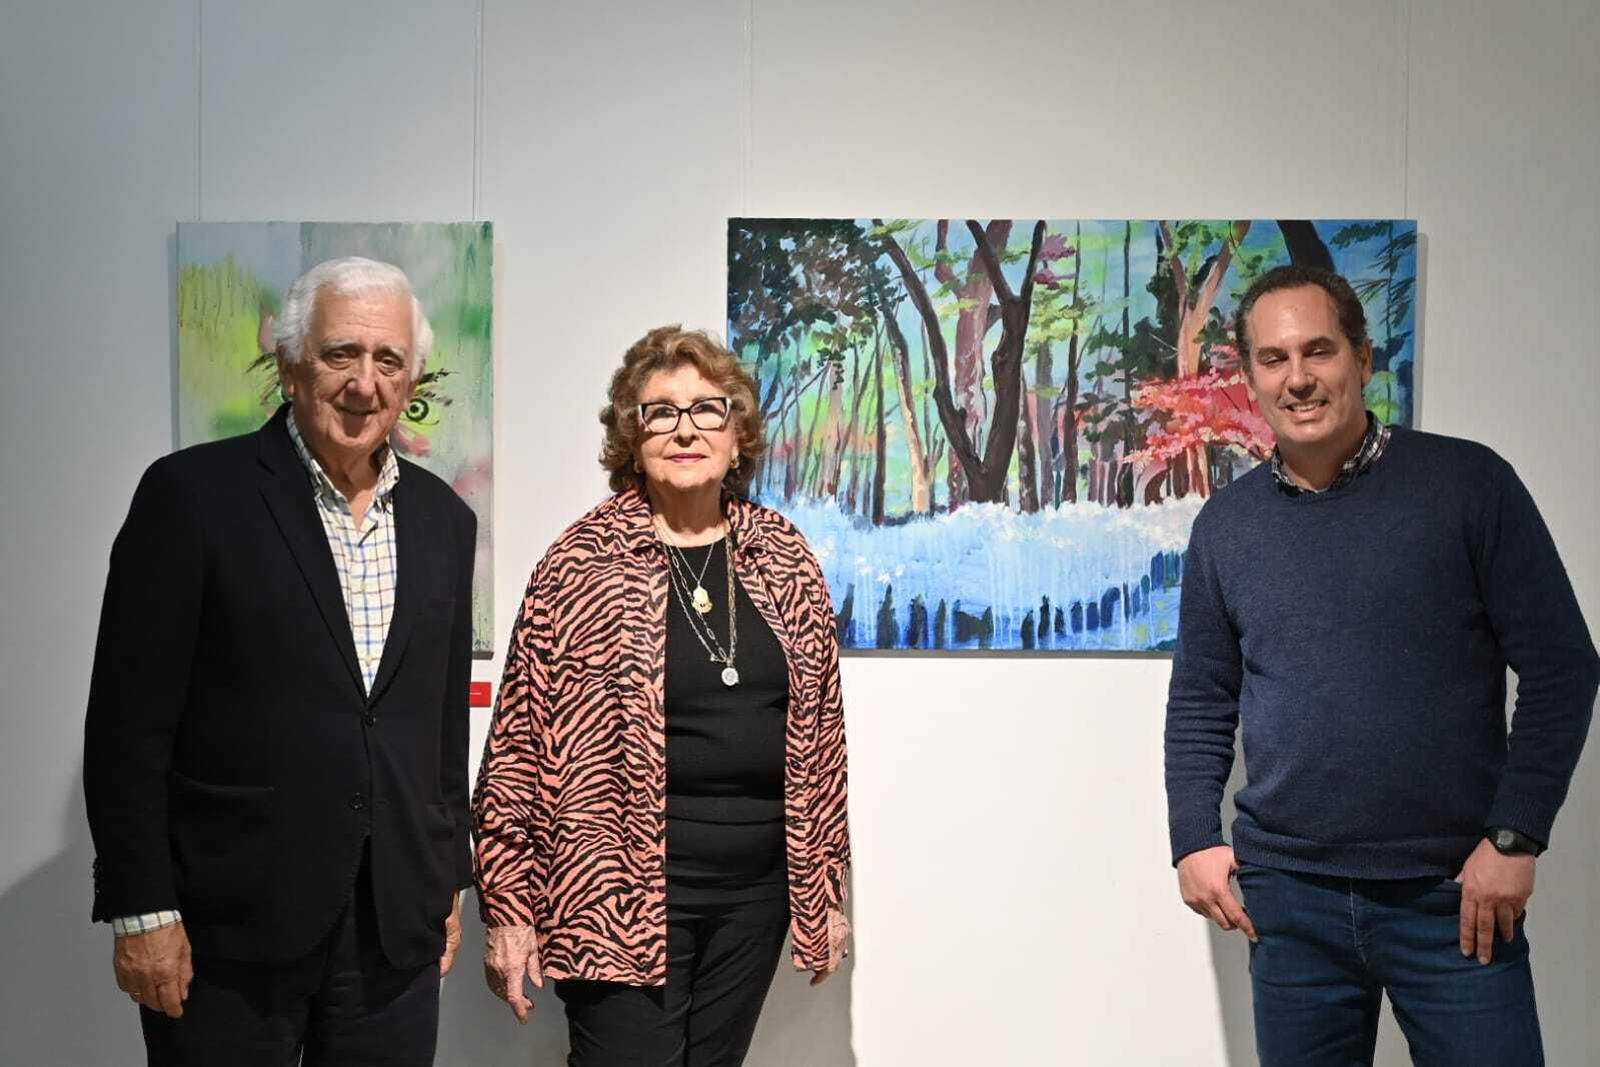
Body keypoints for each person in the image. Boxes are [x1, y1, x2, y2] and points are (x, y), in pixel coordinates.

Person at [1164, 265, 1599, 1066]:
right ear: (1251, 377)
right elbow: (1200, 696)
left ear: (1363, 359)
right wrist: (1193, 835)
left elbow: (1564, 666)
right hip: (1289, 903)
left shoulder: (1469, 485)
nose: (1297, 378)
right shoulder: (1227, 526)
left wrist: (1516, 835)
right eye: (1272, 358)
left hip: (1455, 898)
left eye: (1318, 350)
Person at [83, 257, 478, 1066]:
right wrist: (139, 908)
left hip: (390, 930)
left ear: (411, 379)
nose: (364, 383)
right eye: (341, 354)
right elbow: (127, 728)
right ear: (292, 364)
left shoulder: (444, 519)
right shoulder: (191, 496)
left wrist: (443, 878)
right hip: (228, 929)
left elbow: (438, 728)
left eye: (388, 360)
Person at [473, 325, 851, 1066]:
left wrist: (826, 887)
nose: (685, 428)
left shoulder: (786, 557)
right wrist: (509, 907)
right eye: (659, 411)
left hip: (755, 893)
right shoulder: (579, 564)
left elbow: (824, 744)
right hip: (612, 888)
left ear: (738, 435)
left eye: (707, 409)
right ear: (631, 438)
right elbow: (517, 746)